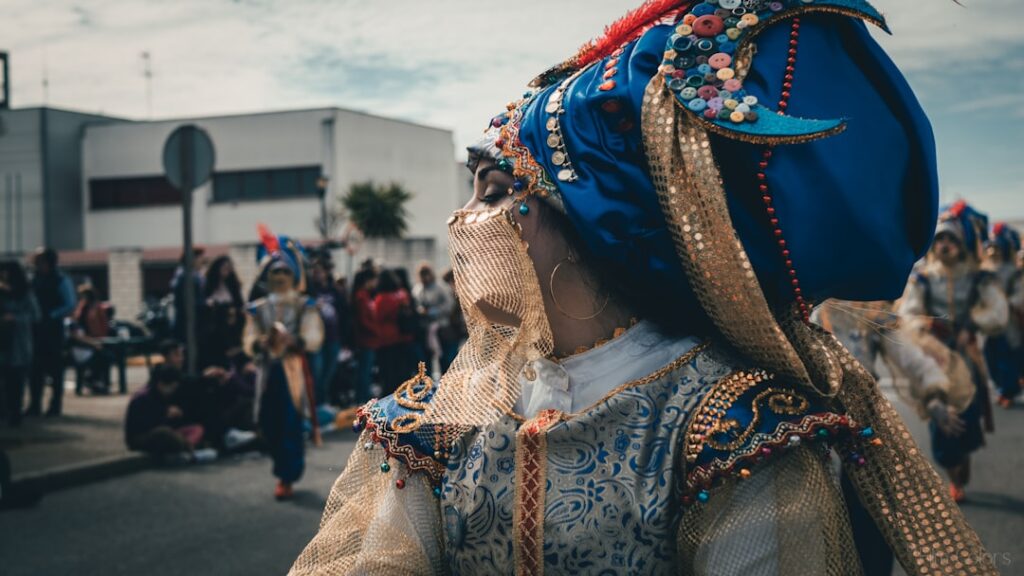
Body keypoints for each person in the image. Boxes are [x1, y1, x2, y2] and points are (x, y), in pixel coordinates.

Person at [292, 2, 996, 574]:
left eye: (501, 191)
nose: (465, 221)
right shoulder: (440, 421)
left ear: (594, 225)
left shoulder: (732, 436)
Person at [899, 202, 1008, 503]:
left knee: (968, 419)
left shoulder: (978, 278)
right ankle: (952, 468)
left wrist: (972, 323)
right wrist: (925, 332)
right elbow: (908, 314)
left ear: (961, 245)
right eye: (940, 240)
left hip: (967, 357)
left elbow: (998, 313)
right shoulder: (921, 279)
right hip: (934, 360)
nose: (945, 245)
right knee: (941, 426)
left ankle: (963, 461)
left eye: (951, 240)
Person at [244, 229, 324, 500]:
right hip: (268, 370)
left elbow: (313, 335)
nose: (279, 277)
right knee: (268, 421)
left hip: (293, 371)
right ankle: (281, 467)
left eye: (285, 272)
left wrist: (294, 339)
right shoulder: (258, 307)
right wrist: (260, 342)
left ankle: (286, 475)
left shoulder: (305, 305)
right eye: (274, 272)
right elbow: (249, 336)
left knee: (290, 421)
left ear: (293, 275)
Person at [125, 364, 209, 460]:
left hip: (168, 431)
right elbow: (146, 424)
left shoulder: (163, 395)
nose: (173, 391)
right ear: (161, 384)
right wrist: (164, 414)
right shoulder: (143, 398)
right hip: (142, 436)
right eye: (172, 387)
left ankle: (186, 447)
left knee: (197, 428)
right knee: (164, 433)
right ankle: (189, 448)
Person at [28, 248, 76, 417]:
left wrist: (51, 315)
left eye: (40, 262)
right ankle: (35, 405)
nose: (37, 265)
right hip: (35, 330)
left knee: (55, 370)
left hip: (53, 331)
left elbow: (70, 304)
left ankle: (55, 406)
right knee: (35, 369)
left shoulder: (61, 280)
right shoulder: (34, 279)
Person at [982, 222, 1023, 407]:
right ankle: (1002, 387)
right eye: (990, 246)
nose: (992, 251)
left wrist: (1005, 304)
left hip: (1010, 324)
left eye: (997, 247)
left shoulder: (1015, 272)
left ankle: (1007, 391)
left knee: (1008, 359)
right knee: (990, 358)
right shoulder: (984, 272)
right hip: (990, 326)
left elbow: (1019, 295)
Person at [0, 262, 40, 427]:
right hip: (3, 342)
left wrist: (16, 318)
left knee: (16, 381)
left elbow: (36, 315)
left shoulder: (25, 293)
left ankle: (15, 414)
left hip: (18, 344)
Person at [308, 254, 345, 407]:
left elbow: (344, 313)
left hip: (333, 337)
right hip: (316, 338)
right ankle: (317, 404)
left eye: (320, 271)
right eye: (314, 271)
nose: (317, 274)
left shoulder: (334, 290)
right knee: (317, 373)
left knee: (329, 372)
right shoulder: (309, 291)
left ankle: (324, 401)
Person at [372, 269, 416, 396]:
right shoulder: (402, 294)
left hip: (387, 340)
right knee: (403, 373)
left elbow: (378, 318)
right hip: (404, 337)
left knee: (389, 375)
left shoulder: (382, 299)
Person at [200, 255, 245, 370]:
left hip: (232, 331)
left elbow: (240, 306)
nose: (226, 270)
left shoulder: (233, 286)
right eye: (224, 267)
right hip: (215, 333)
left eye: (228, 268)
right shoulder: (208, 286)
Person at [68, 285, 113, 394]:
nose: (82, 298)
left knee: (106, 355)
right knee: (103, 356)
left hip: (91, 341)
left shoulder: (95, 307)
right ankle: (93, 380)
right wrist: (94, 343)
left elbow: (102, 326)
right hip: (81, 346)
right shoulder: (80, 310)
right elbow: (77, 335)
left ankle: (97, 381)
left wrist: (97, 340)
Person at [412, 263, 453, 376]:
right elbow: (415, 305)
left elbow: (449, 305)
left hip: (441, 327)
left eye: (426, 275)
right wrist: (420, 310)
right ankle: (429, 383)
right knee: (426, 360)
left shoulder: (440, 287)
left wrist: (432, 311)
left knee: (444, 358)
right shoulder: (417, 289)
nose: (425, 278)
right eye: (422, 275)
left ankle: (445, 380)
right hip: (425, 329)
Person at [350, 267, 379, 403]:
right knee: (364, 370)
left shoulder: (364, 295)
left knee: (365, 369)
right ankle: (361, 398)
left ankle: (362, 396)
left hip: (369, 339)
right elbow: (363, 320)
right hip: (366, 339)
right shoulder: (361, 297)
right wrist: (376, 329)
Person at [170, 246, 205, 345]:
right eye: (200, 258)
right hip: (186, 324)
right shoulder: (186, 276)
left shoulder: (192, 275)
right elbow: (188, 302)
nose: (202, 261)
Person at [437, 268, 465, 374]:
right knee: (448, 357)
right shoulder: (448, 293)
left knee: (449, 356)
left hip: (453, 330)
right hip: (449, 329)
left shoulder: (456, 292)